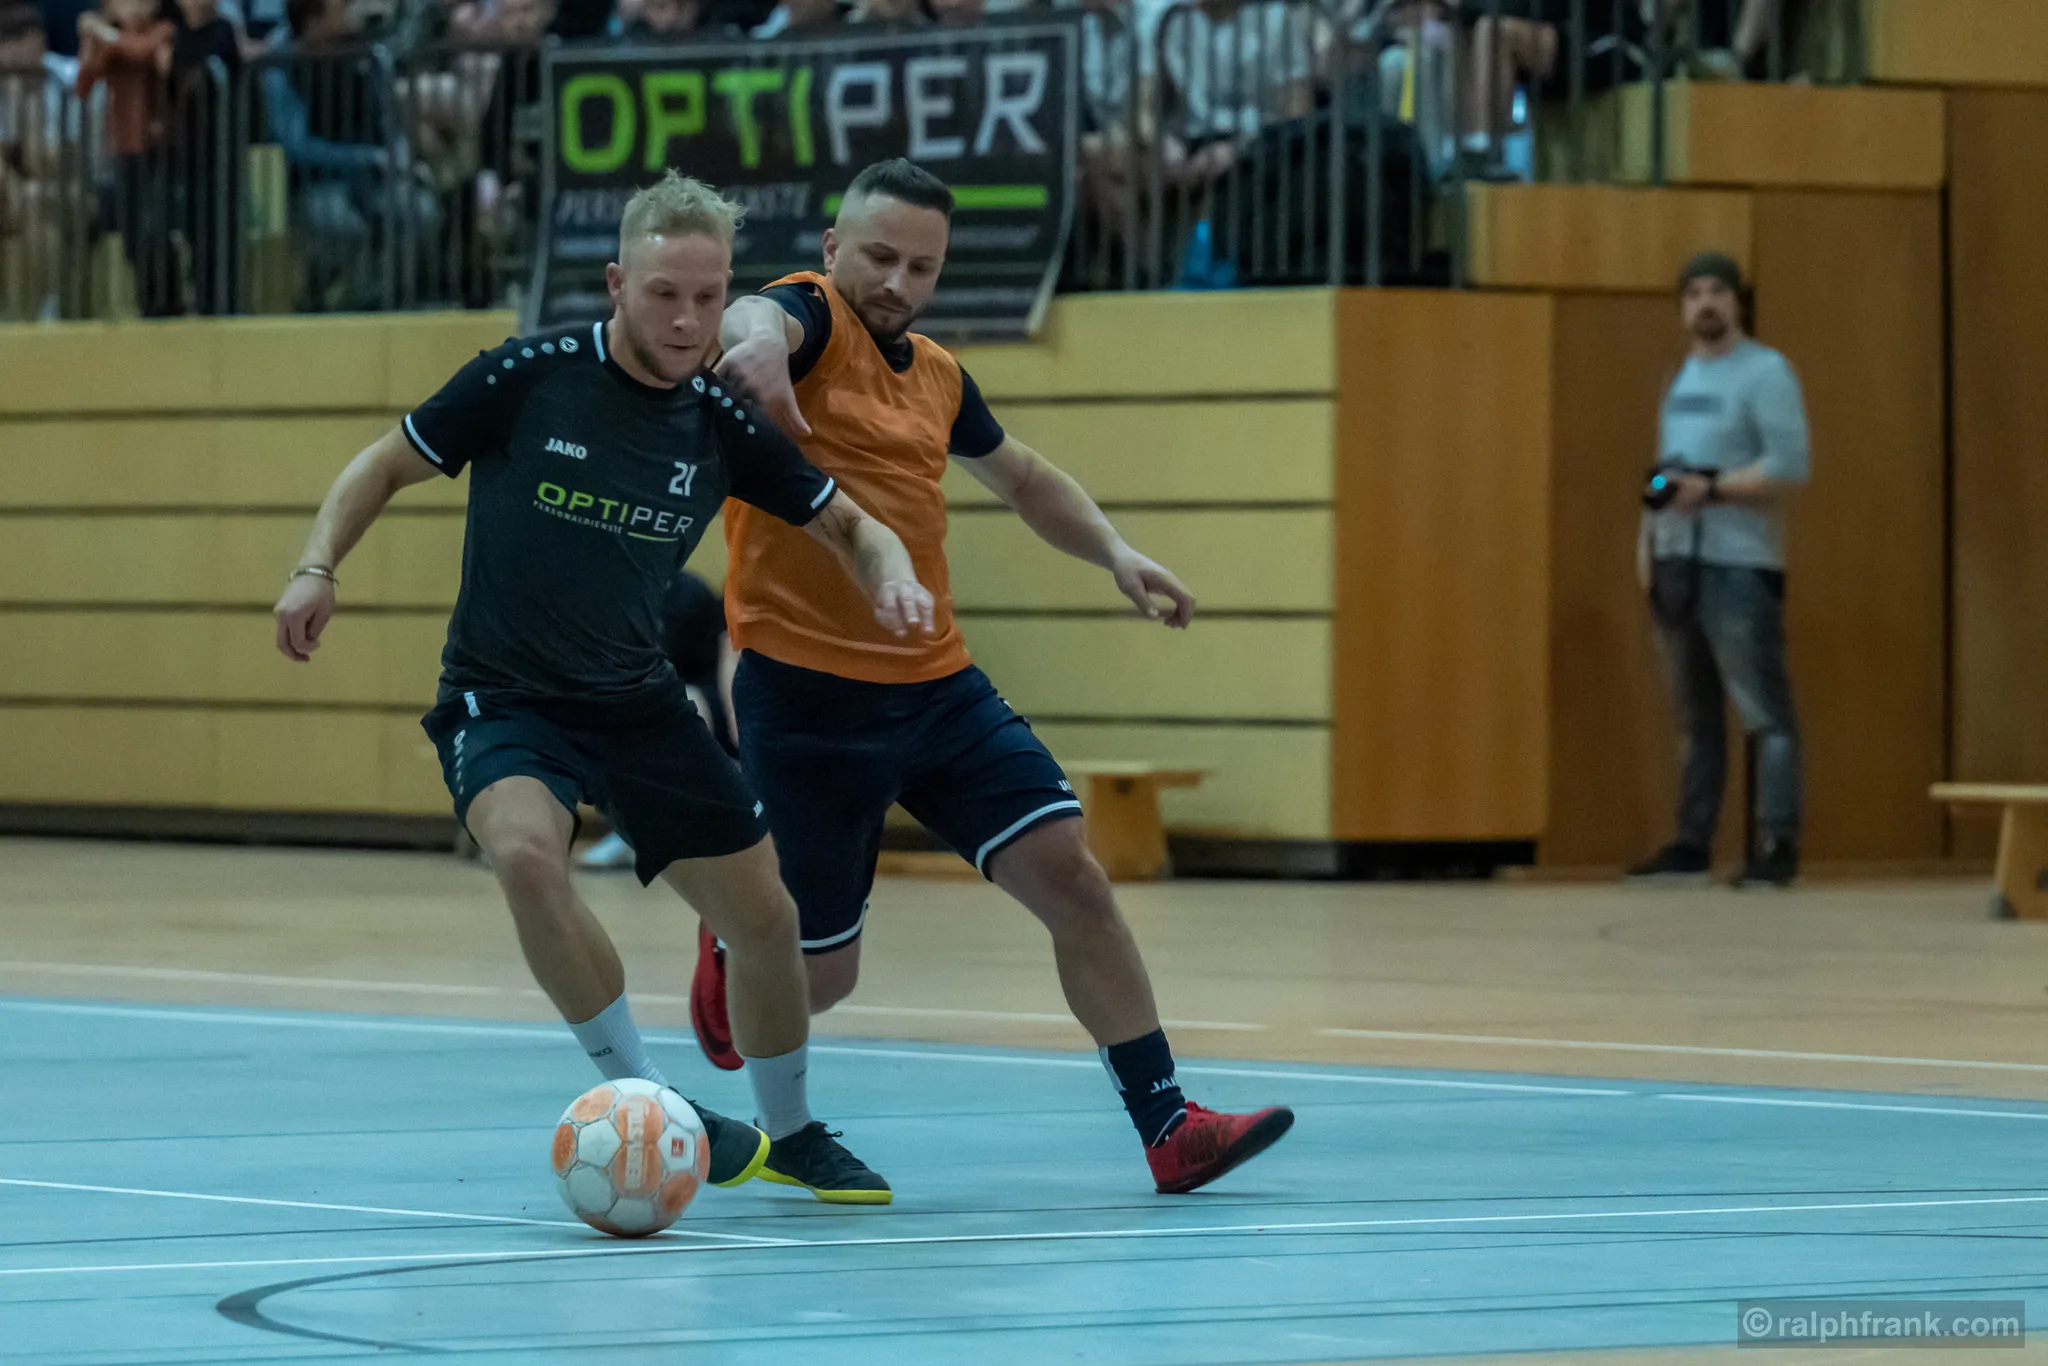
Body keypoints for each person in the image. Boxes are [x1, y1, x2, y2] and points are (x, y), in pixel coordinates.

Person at [271, 172, 931, 1204]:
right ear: (619, 283)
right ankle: (649, 1096)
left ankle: (795, 1131)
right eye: (665, 294)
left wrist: (890, 571)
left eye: (708, 298)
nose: (688, 320)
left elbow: (850, 523)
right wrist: (317, 567)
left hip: (637, 704)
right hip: (504, 697)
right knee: (528, 855)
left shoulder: (719, 419)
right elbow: (382, 465)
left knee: (767, 919)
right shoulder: (527, 376)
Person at [706, 158, 1296, 1196]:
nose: (898, 282)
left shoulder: (936, 373)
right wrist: (747, 343)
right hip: (805, 697)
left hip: (937, 687)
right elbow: (756, 318)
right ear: (834, 248)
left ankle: (1170, 1127)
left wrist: (1114, 551)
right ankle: (741, 952)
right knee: (820, 978)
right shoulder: (808, 318)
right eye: (879, 256)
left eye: (922, 267)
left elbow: (1019, 475)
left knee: (1074, 876)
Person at [1628, 252, 1809, 888]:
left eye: (1717, 292)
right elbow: (1665, 470)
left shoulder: (1767, 372)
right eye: (1694, 293)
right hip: (1676, 561)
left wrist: (1712, 489)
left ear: (1737, 302)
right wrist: (1647, 542)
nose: (1705, 303)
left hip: (1738, 563)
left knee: (1764, 711)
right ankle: (1691, 843)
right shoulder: (1680, 378)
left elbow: (1789, 466)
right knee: (1693, 715)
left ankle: (1776, 844)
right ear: (1682, 307)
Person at [578, 569, 734, 870]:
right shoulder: (614, 594)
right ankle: (630, 829)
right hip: (642, 694)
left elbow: (718, 663)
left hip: (699, 695)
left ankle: (670, 829)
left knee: (684, 705)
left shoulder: (690, 593)